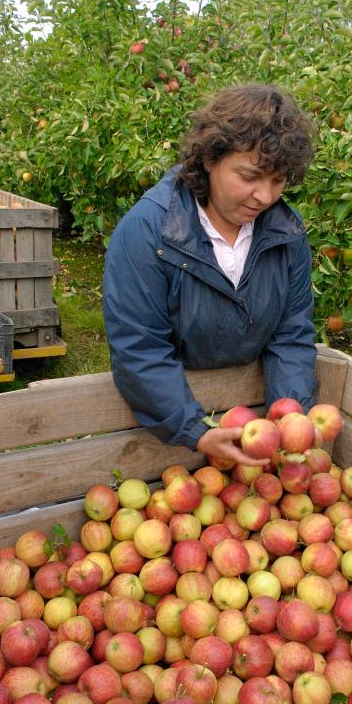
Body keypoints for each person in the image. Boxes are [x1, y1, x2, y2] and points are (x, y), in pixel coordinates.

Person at [103, 83, 317, 468]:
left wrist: (288, 417)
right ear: (209, 159)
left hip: (249, 431)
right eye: (250, 176)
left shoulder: (287, 234)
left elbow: (291, 333)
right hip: (162, 438)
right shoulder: (148, 234)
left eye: (278, 180)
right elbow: (140, 348)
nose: (265, 196)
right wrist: (195, 429)